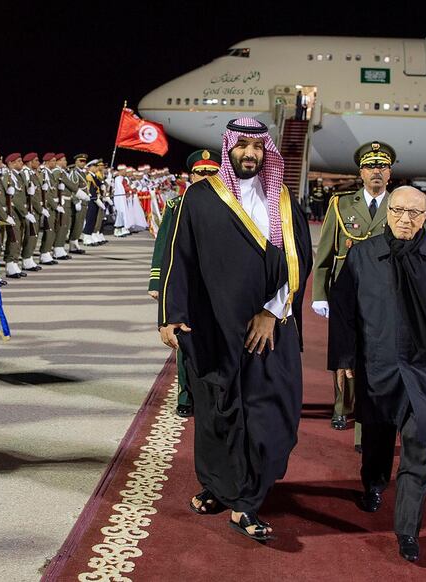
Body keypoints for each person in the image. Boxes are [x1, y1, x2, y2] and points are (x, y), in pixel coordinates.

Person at [159, 117, 312, 540]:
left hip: (269, 329)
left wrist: (271, 311)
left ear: (267, 152)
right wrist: (171, 316)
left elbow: (299, 260)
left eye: (257, 147)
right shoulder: (199, 198)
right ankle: (229, 493)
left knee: (271, 415)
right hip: (214, 328)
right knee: (217, 413)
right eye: (242, 145)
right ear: (229, 149)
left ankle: (243, 491)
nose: (250, 153)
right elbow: (180, 260)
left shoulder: (280, 198)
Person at [328, 186, 426, 562]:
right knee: (376, 440)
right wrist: (343, 360)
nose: (405, 219)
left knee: (417, 449)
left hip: (424, 373)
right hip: (377, 367)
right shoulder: (362, 255)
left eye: (415, 213)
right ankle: (373, 482)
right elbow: (343, 313)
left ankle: (408, 530)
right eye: (399, 211)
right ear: (388, 211)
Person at [312, 141, 395, 448]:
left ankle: (365, 417)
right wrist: (319, 293)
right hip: (345, 294)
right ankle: (341, 406)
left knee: (374, 359)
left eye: (382, 166)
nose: (377, 172)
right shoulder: (341, 204)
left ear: (390, 173)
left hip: (384, 297)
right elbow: (325, 254)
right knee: (344, 355)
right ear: (360, 172)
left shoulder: (398, 205)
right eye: (371, 166)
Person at [149, 149, 218, 418]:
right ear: (191, 175)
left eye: (212, 172)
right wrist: (157, 281)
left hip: (215, 286)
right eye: (201, 172)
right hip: (184, 283)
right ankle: (186, 395)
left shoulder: (229, 205)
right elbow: (163, 245)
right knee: (184, 341)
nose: (206, 177)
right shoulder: (175, 206)